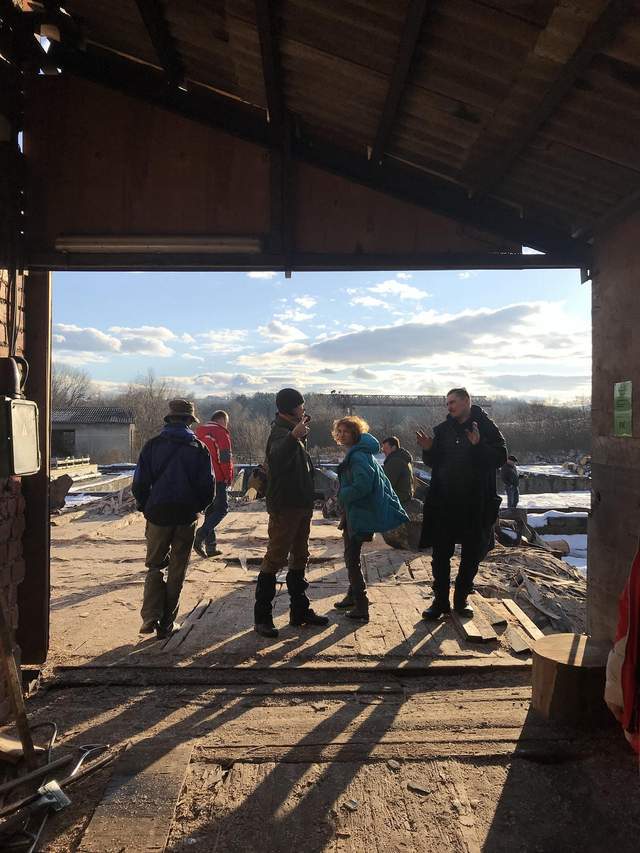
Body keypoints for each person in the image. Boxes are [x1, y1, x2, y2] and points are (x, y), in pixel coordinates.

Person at [417, 388, 507, 620]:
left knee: (471, 554)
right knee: (440, 554)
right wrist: (429, 450)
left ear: (466, 401)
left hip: (475, 503)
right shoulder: (444, 430)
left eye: (453, 402)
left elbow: (500, 457)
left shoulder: (486, 427)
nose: (449, 407)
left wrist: (479, 445)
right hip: (445, 501)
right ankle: (440, 602)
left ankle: (461, 599)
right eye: (447, 403)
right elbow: (435, 462)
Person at [132, 399, 215, 639]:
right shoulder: (199, 449)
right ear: (189, 421)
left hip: (157, 514)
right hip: (185, 516)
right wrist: (196, 509)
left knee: (155, 565)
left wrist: (146, 507)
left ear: (169, 418)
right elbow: (208, 488)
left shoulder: (152, 446)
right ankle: (167, 623)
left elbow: (139, 483)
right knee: (177, 570)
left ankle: (150, 615)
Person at [254, 388, 329, 639]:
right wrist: (293, 437)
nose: (304, 408)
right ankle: (262, 618)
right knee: (275, 558)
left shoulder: (294, 431)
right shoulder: (280, 432)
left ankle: (299, 611)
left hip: (300, 504)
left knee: (300, 556)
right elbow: (276, 460)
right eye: (301, 405)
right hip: (285, 506)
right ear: (290, 408)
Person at [334, 416, 409, 622]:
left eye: (346, 431)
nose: (342, 435)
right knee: (352, 556)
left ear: (356, 434)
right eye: (339, 431)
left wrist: (343, 494)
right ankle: (352, 596)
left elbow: (363, 485)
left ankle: (361, 605)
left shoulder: (358, 456)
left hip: (359, 514)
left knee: (351, 559)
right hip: (355, 513)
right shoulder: (358, 453)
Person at [193, 410, 233, 557]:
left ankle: (211, 546)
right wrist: (228, 477)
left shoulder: (198, 432)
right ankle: (201, 534)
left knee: (210, 511)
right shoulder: (221, 433)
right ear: (222, 420)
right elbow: (225, 459)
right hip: (218, 477)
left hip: (201, 478)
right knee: (222, 509)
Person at [381, 436, 414, 506]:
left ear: (393, 448)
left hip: (399, 497)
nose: (383, 451)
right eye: (383, 448)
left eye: (386, 448)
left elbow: (386, 483)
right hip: (405, 495)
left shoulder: (395, 461)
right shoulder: (401, 458)